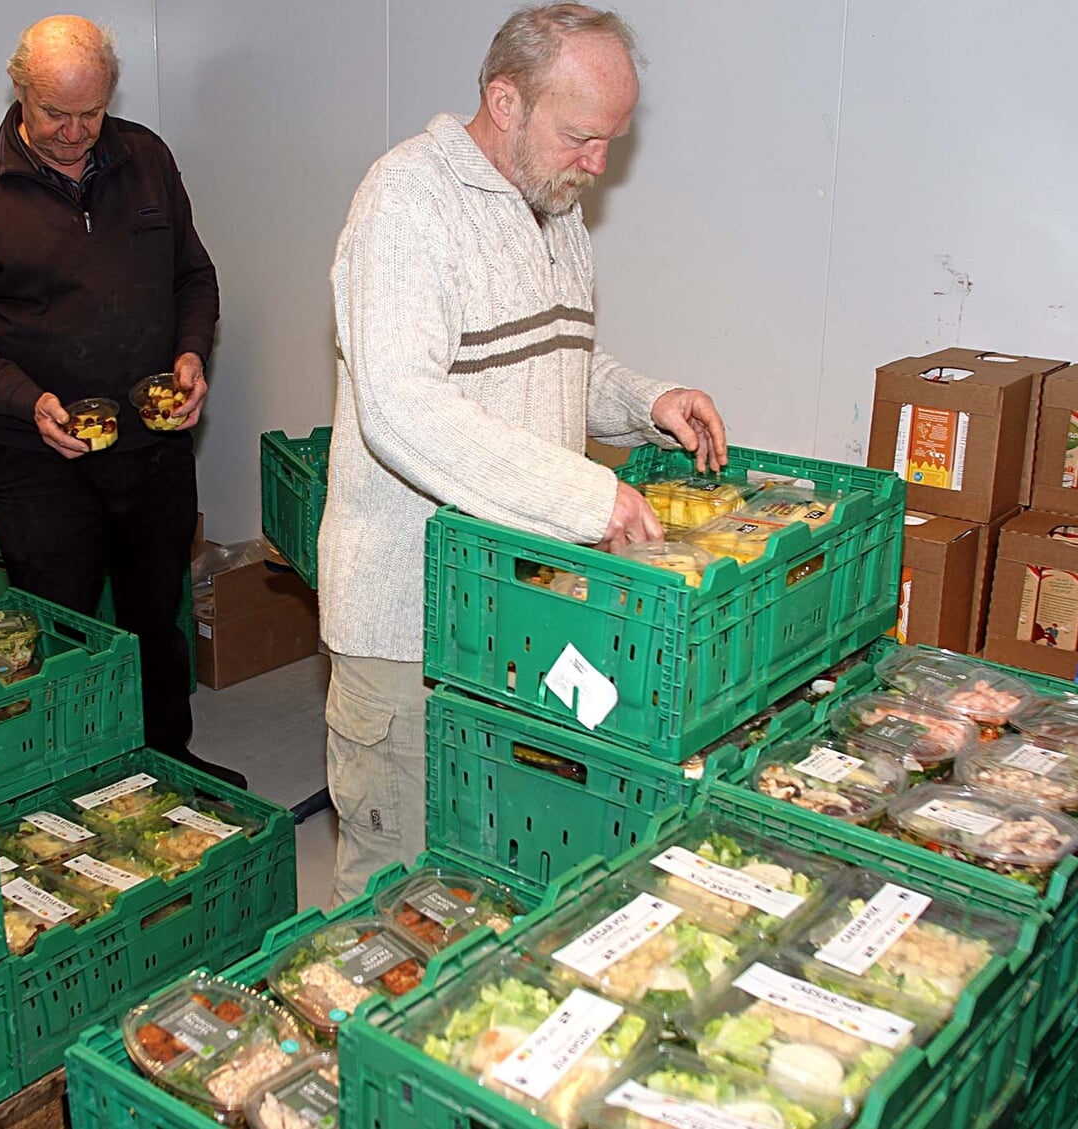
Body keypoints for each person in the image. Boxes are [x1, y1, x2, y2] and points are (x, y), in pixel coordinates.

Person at [318, 3, 729, 900]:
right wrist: (589, 499)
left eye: (612, 139)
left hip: (517, 608)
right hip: (410, 625)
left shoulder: (553, 204)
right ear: (505, 101)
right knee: (396, 898)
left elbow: (548, 367)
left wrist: (643, 400)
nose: (598, 163)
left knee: (493, 869)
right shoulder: (405, 204)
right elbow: (403, 407)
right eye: (582, 135)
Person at [0, 16, 243, 787]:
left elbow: (193, 276)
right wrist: (27, 401)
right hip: (42, 463)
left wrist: (192, 350)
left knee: (154, 619)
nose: (73, 133)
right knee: (60, 632)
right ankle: (68, 784)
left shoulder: (148, 159)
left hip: (154, 450)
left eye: (90, 113)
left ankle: (169, 765)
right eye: (54, 114)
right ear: (19, 92)